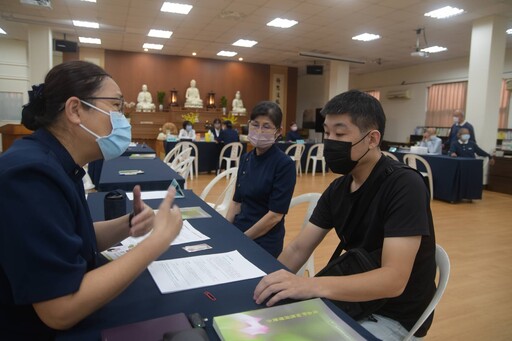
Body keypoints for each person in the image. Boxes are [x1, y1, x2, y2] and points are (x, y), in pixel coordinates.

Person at [0, 61, 183, 339]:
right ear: (75, 110)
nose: (123, 119)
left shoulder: (59, 163)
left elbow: (71, 238)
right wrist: (157, 242)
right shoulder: (30, 175)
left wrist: (129, 223)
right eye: (116, 106)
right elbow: (59, 311)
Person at [253, 90, 437, 340]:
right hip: (350, 298)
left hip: (392, 314)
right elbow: (298, 249)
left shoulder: (404, 185)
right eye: (327, 133)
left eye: (340, 134)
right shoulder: (339, 188)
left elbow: (393, 279)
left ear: (372, 139)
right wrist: (267, 282)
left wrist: (309, 285)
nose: (330, 142)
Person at [226, 101, 296, 258]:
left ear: (278, 132)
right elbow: (236, 202)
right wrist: (227, 230)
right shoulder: (246, 158)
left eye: (266, 126)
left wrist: (243, 239)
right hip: (240, 230)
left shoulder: (284, 165)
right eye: (255, 124)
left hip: (263, 240)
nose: (259, 131)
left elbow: (275, 216)